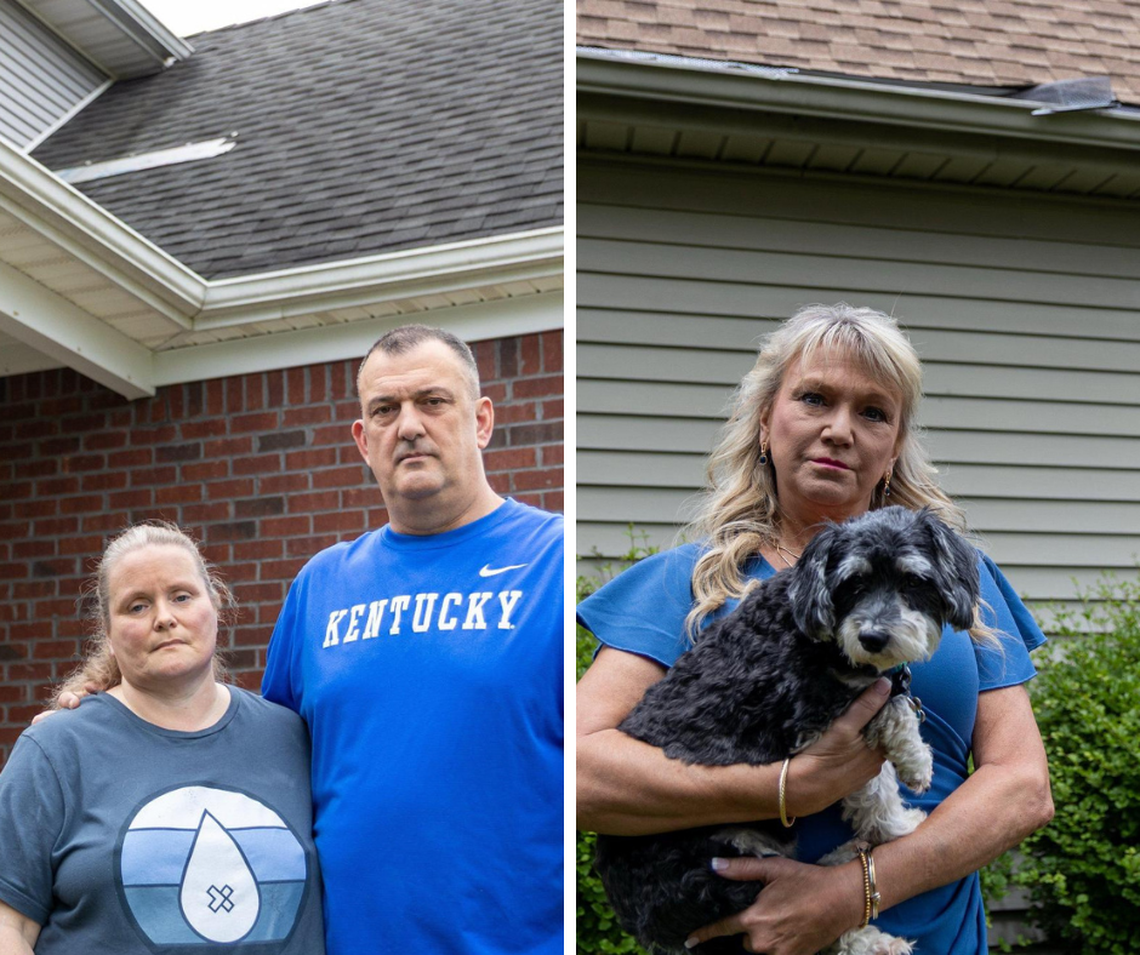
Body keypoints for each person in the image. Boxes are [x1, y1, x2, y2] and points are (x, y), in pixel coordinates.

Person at [576, 304, 1053, 955]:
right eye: (814, 398)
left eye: (872, 412)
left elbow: (1023, 788)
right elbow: (574, 775)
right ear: (767, 421)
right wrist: (787, 787)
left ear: (893, 447)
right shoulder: (686, 583)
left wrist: (851, 893)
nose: (839, 429)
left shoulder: (957, 574)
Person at [260, 324, 564, 955]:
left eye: (432, 401)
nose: (409, 426)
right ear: (363, 440)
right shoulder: (320, 586)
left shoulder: (552, 561)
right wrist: (123, 705)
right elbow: (257, 761)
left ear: (480, 421)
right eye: (385, 409)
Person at [0, 522, 325, 955]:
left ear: (216, 604)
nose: (164, 617)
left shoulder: (292, 736)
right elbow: (10, 925)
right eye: (137, 606)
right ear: (109, 635)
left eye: (181, 596)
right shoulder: (56, 750)